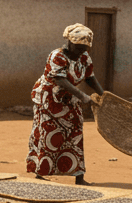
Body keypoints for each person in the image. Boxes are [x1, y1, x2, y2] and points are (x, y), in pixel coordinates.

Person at [27, 23, 104, 183]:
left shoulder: (84, 57)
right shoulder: (57, 56)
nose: (80, 51)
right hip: (49, 99)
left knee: (75, 132)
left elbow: (90, 77)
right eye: (77, 47)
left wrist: (103, 95)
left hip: (69, 99)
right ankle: (42, 173)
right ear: (69, 43)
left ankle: (79, 176)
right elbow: (59, 79)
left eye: (84, 48)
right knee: (48, 133)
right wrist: (82, 95)